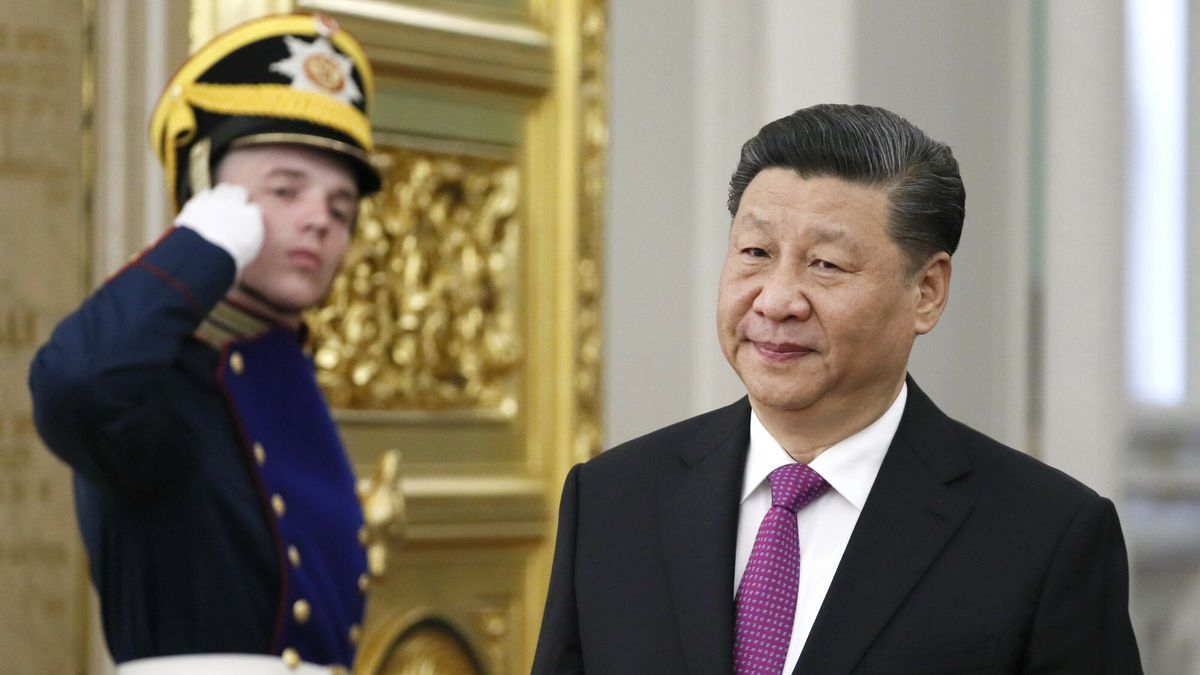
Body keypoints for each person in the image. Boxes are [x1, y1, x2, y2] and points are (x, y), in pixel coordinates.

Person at [531, 104, 1143, 674]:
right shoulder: (612, 501)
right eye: (755, 252)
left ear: (926, 291)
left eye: (825, 265)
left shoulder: (1046, 536)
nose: (775, 299)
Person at [29, 12, 382, 675]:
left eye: (341, 208)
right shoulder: (159, 386)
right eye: (285, 189)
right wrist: (201, 250)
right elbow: (73, 384)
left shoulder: (284, 373)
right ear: (207, 201)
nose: (319, 218)